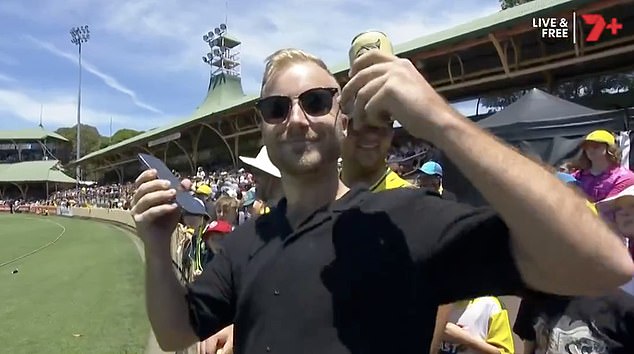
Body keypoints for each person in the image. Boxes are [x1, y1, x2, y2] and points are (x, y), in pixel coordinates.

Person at [131, 48, 634, 353]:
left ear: (342, 119)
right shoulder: (246, 243)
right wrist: (155, 248)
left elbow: (602, 262)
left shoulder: (406, 221)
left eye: (316, 102)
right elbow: (177, 333)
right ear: (263, 126)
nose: (297, 119)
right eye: (276, 107)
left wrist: (439, 120)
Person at [572, 129, 634, 202]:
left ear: (610, 148)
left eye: (595, 146)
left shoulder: (625, 177)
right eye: (586, 146)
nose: (590, 149)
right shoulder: (575, 177)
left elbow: (609, 206)